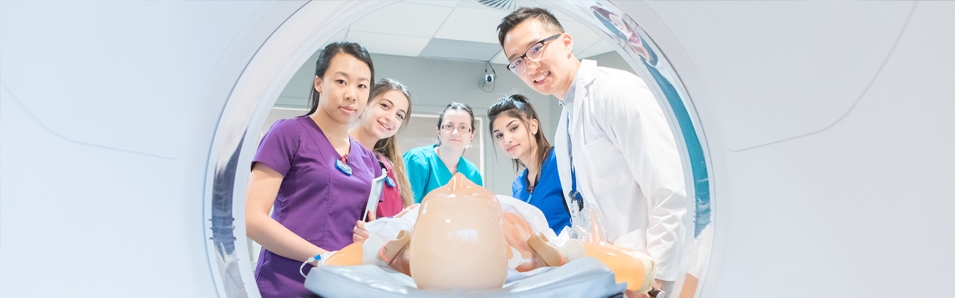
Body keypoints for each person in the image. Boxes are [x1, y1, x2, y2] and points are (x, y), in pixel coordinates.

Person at [497, 7, 687, 295]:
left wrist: (654, 282)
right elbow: (584, 211)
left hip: (654, 281)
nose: (530, 65)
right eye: (517, 62)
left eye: (536, 48)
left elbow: (671, 190)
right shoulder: (567, 123)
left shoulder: (617, 93)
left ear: (566, 42)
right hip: (621, 277)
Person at [245, 42, 379, 298]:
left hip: (341, 287)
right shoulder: (288, 133)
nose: (352, 94)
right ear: (319, 83)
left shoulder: (369, 161)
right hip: (284, 284)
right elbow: (251, 218)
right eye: (341, 81)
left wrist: (372, 236)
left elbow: (365, 229)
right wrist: (323, 258)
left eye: (362, 85)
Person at [488, 94, 570, 233]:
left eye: (513, 128)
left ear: (533, 126)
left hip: (572, 253)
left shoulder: (560, 162)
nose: (507, 139)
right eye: (499, 135)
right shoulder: (518, 185)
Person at [348, 78, 415, 219]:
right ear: (365, 102)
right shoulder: (336, 150)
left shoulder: (388, 168)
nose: (391, 118)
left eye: (399, 115)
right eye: (385, 106)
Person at [402, 102, 483, 203]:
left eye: (463, 127)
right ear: (439, 131)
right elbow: (404, 210)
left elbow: (476, 212)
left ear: (471, 135)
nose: (455, 133)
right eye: (449, 126)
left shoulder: (473, 174)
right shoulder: (417, 160)